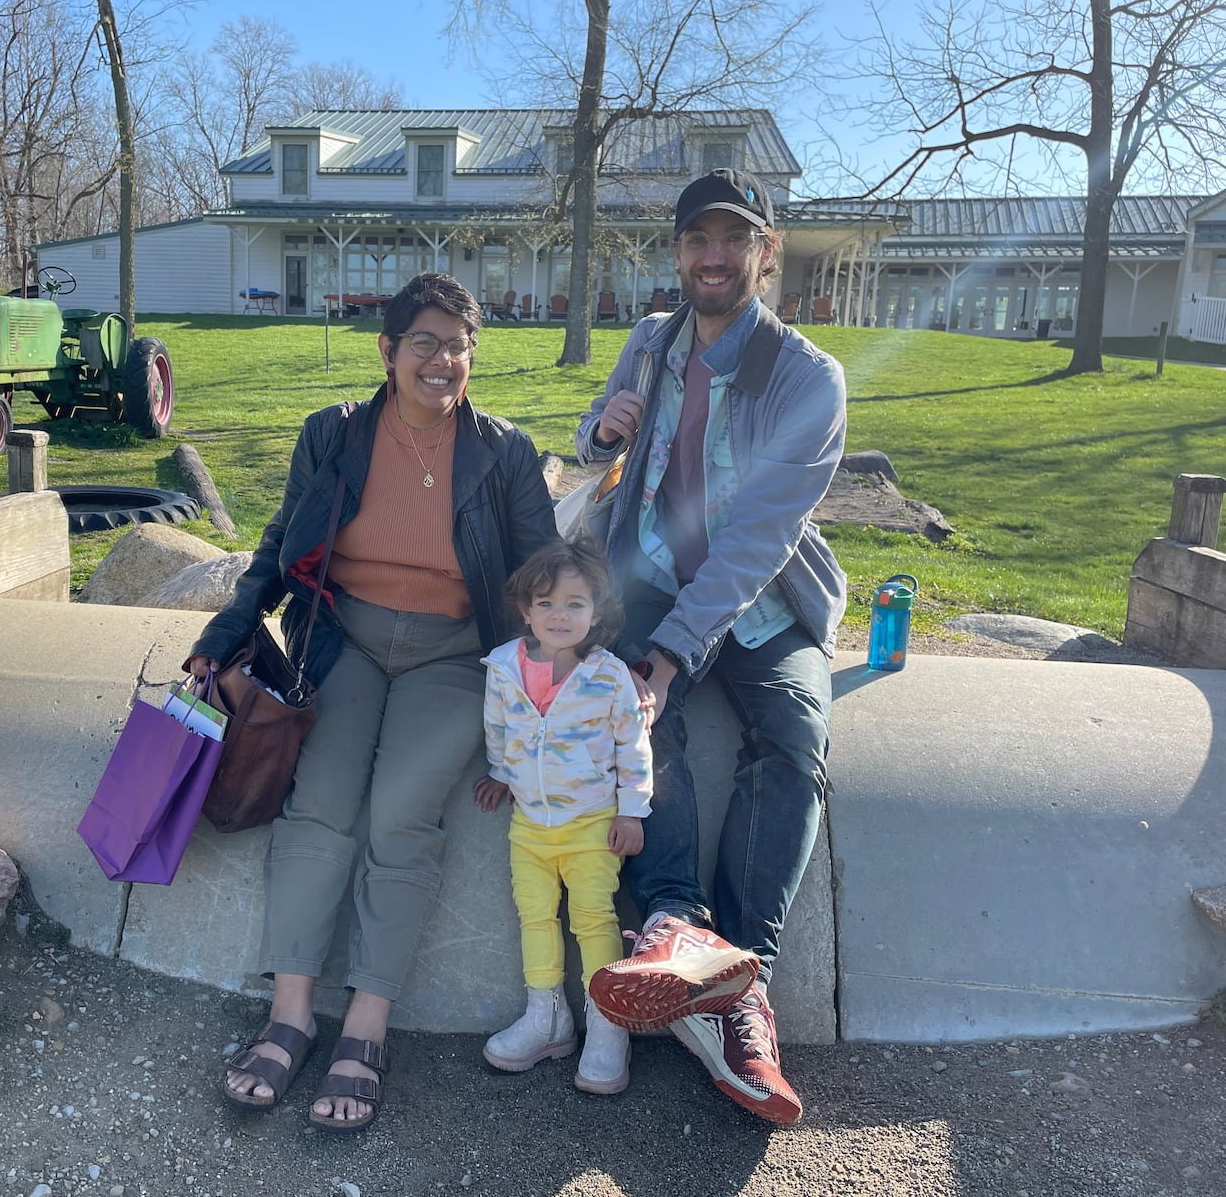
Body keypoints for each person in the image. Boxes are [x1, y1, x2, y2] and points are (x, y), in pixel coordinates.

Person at [186, 271, 558, 1132]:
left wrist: (575, 674)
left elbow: (541, 574)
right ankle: (288, 1015)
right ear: (387, 352)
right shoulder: (334, 436)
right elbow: (282, 545)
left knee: (399, 814)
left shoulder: (503, 452)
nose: (442, 360)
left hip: (456, 657)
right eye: (423, 342)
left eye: (458, 346)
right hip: (344, 640)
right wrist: (232, 621)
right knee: (319, 806)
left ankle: (365, 1025)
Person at [576, 168, 848, 1125]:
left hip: (759, 597)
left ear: (765, 253)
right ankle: (673, 928)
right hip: (646, 571)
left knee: (795, 736)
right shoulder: (650, 340)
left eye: (736, 240)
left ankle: (741, 988)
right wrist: (594, 428)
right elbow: (595, 444)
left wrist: (673, 653)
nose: (715, 257)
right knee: (635, 718)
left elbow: (755, 543)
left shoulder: (809, 380)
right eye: (698, 240)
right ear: (678, 253)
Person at [473, 538, 652, 1096]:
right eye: (546, 603)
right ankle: (545, 1018)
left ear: (596, 614)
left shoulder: (610, 675)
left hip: (592, 825)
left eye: (575, 604)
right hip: (529, 825)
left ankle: (607, 1025)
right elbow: (497, 725)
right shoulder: (504, 666)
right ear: (526, 610)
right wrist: (500, 772)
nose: (559, 615)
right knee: (534, 916)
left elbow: (634, 745)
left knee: (594, 919)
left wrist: (633, 811)